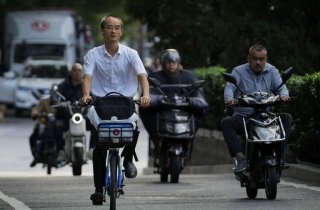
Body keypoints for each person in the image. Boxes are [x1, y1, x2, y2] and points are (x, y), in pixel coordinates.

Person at [79, 15, 150, 205]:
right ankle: (98, 190)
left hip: (126, 103)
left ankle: (127, 159)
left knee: (133, 126)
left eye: (117, 27)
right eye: (109, 27)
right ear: (102, 31)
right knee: (99, 147)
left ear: (121, 31)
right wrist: (86, 95)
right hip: (100, 104)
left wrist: (145, 95)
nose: (113, 31)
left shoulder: (131, 54)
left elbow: (142, 75)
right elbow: (87, 77)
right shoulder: (92, 54)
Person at [220, 44, 292, 174]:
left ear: (266, 59)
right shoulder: (238, 71)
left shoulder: (272, 71)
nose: (258, 62)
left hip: (266, 117)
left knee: (286, 118)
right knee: (226, 122)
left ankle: (281, 156)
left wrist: (284, 95)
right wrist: (229, 99)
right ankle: (240, 157)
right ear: (249, 58)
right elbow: (229, 87)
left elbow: (281, 87)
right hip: (244, 118)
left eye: (261, 59)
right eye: (254, 58)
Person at [139, 49, 208, 155]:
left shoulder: (189, 77)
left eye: (174, 62)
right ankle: (157, 141)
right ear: (163, 63)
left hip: (184, 111)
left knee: (202, 110)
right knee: (144, 109)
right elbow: (147, 95)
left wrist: (190, 101)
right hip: (161, 111)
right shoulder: (154, 77)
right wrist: (158, 100)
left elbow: (199, 96)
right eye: (168, 62)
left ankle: (188, 138)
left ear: (178, 63)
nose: (171, 65)